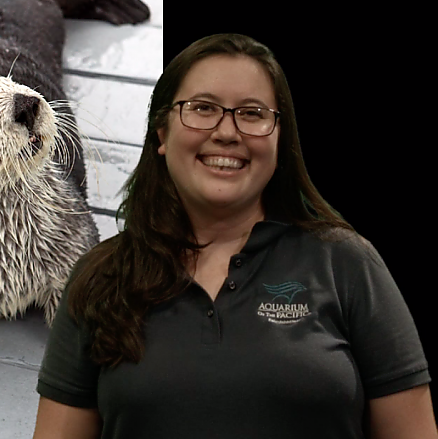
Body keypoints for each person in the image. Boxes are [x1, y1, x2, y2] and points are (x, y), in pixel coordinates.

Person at [31, 33, 435, 438]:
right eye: (202, 108)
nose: (227, 132)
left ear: (280, 140)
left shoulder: (345, 263)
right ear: (162, 134)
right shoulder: (100, 278)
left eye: (253, 113)